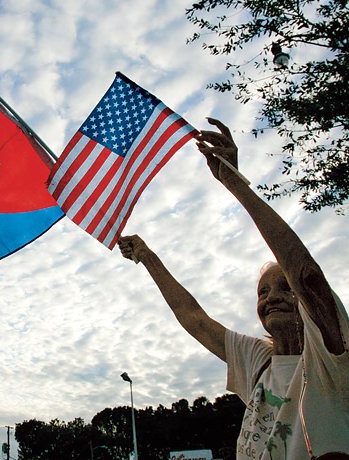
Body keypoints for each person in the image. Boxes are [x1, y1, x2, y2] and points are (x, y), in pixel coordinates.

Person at [117, 118, 349, 459]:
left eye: (285, 288)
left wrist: (233, 182)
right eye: (263, 292)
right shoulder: (257, 361)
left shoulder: (330, 356)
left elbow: (307, 274)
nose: (272, 297)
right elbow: (194, 318)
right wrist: (148, 257)